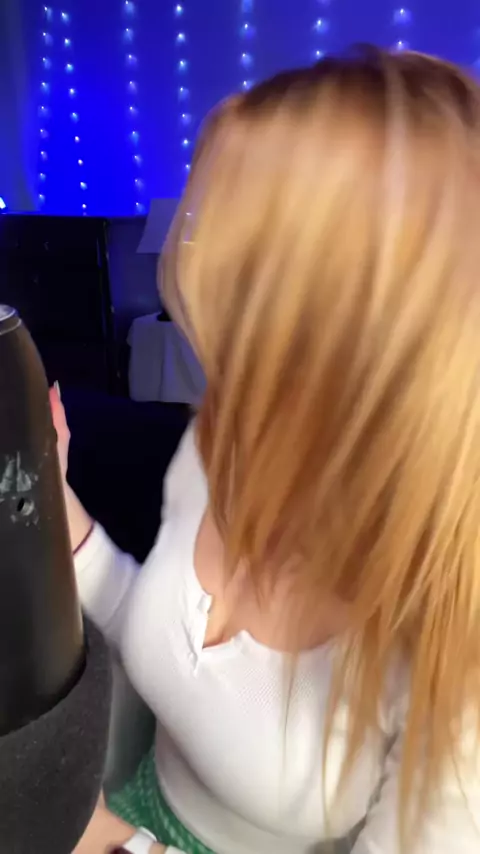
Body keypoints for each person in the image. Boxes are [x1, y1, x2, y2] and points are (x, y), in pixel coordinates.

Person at [56, 46, 480, 854]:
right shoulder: (223, 445)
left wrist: (119, 846)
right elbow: (160, 635)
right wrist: (52, 495)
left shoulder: (457, 643)